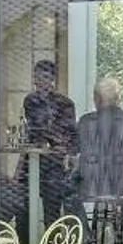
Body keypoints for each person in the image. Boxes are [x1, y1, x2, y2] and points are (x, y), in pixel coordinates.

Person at [20, 59, 80, 225]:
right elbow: (31, 132)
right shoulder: (30, 101)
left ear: (52, 79)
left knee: (51, 212)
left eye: (45, 77)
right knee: (21, 206)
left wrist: (68, 155)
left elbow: (73, 136)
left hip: (54, 163)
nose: (41, 81)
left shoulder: (65, 103)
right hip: (33, 159)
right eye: (37, 77)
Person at [75, 77, 123, 200]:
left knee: (65, 191)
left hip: (90, 188)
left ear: (97, 99)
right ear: (117, 99)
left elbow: (74, 150)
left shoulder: (85, 122)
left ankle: (81, 220)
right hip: (122, 189)